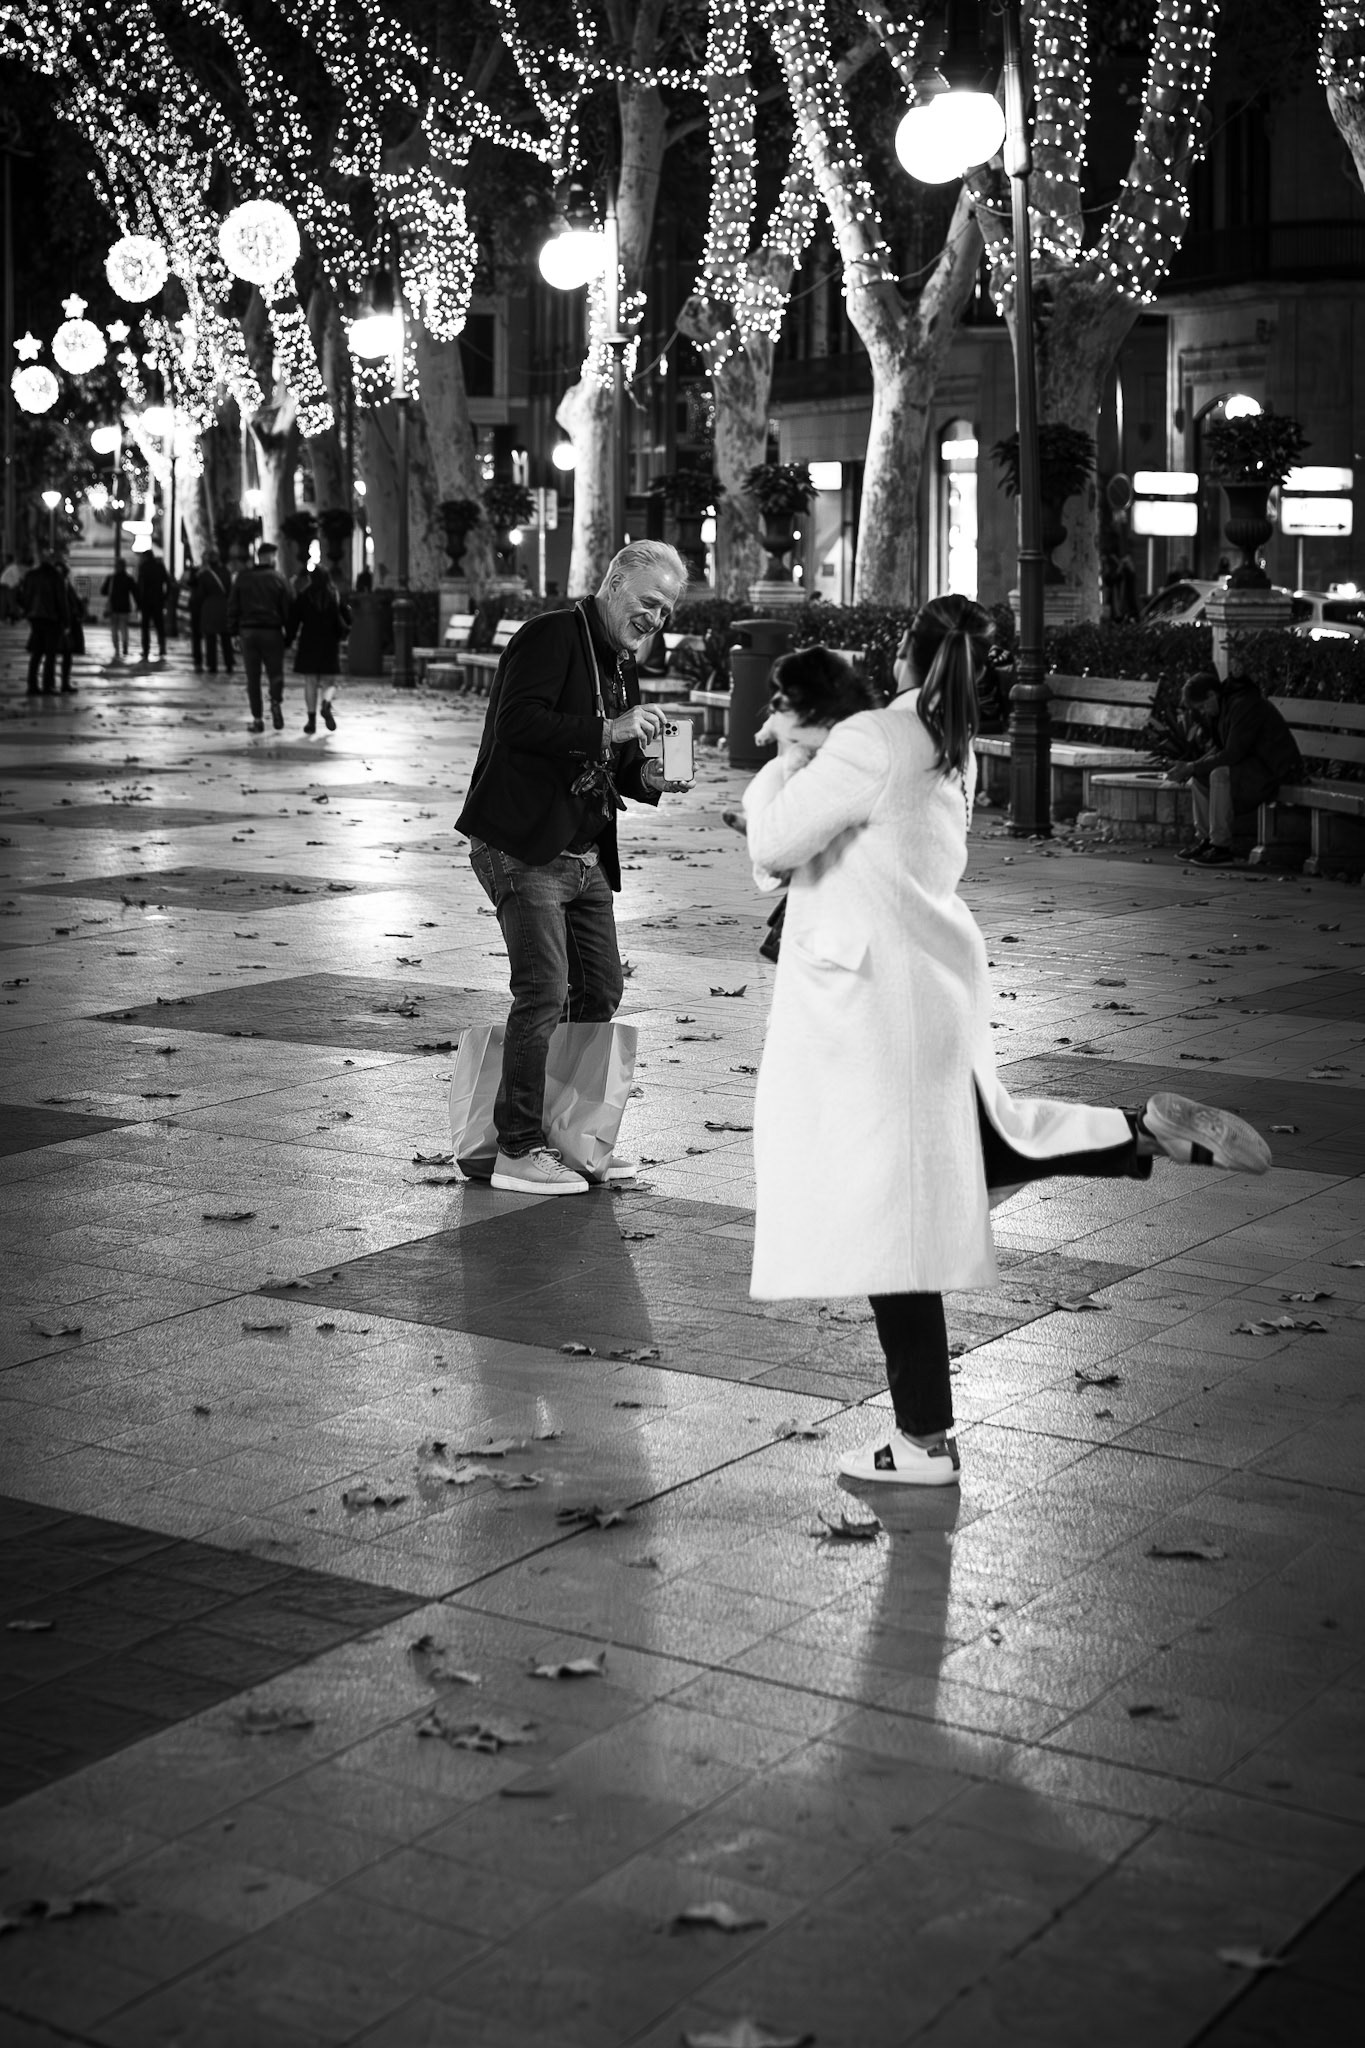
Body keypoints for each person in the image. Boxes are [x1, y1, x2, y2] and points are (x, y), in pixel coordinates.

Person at [743, 598, 1274, 1491]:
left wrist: (783, 756)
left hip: (872, 1012)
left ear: (906, 655)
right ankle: (1139, 1130)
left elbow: (772, 842)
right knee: (981, 1151)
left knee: (894, 1223)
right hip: (928, 995)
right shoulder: (950, 748)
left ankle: (923, 1444)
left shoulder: (873, 737)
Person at [456, 540, 689, 1195]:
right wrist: (610, 729)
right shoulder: (550, 634)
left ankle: (569, 1134)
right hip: (522, 845)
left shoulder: (617, 660)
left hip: (582, 853)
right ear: (612, 584)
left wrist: (652, 777)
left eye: (666, 611)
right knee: (544, 994)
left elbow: (607, 760)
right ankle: (516, 1147)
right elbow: (517, 722)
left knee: (599, 992)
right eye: (648, 602)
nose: (655, 619)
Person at [1165, 669, 1305, 867]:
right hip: (1252, 766)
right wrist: (1192, 768)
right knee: (1200, 777)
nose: (1203, 712)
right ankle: (1206, 841)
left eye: (1203, 706)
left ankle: (1221, 846)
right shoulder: (1223, 707)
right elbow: (1220, 746)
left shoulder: (1244, 705)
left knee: (1219, 775)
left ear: (1212, 695)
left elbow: (1232, 753)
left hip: (1275, 769)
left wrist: (1192, 766)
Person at [227, 539, 293, 732]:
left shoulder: (243, 578)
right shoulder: (279, 579)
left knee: (252, 678)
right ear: (270, 558)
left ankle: (257, 719)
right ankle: (275, 702)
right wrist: (289, 635)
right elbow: (288, 609)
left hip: (248, 633)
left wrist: (233, 632)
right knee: (275, 673)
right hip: (272, 632)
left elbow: (233, 606)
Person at [291, 564, 351, 733]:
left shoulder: (304, 596)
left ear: (311, 578)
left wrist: (288, 639)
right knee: (329, 681)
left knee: (310, 682)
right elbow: (347, 618)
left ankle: (311, 721)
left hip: (308, 643)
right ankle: (326, 703)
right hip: (329, 644)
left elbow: (294, 619)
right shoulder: (334, 596)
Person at [20, 546, 67, 695]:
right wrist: (65, 620)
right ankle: (48, 685)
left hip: (35, 617)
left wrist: (28, 611)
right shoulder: (55, 576)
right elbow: (61, 600)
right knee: (50, 654)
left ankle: (32, 684)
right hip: (51, 618)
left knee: (37, 652)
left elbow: (24, 597)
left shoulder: (31, 575)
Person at [196, 552, 233, 674]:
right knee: (225, 636)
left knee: (210, 638)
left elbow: (200, 593)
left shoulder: (205, 575)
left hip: (209, 606)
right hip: (223, 606)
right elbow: (230, 590)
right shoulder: (226, 573)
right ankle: (229, 663)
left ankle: (212, 665)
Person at [134, 545, 170, 661]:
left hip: (146, 601)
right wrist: (165, 597)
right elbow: (168, 583)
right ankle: (162, 647)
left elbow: (140, 586)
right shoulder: (159, 567)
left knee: (145, 627)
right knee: (159, 625)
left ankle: (146, 649)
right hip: (158, 600)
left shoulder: (143, 567)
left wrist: (139, 601)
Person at [101, 556, 139, 664]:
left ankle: (117, 649)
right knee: (124, 628)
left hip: (113, 608)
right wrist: (138, 605)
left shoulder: (111, 578)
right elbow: (135, 592)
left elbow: (103, 591)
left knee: (114, 629)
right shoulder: (128, 579)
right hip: (124, 608)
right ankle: (125, 647)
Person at [55, 557, 84, 693]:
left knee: (62, 654)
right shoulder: (62, 584)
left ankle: (60, 683)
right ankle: (61, 683)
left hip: (61, 622)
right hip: (62, 623)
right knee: (63, 654)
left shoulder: (61, 583)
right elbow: (68, 604)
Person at [0, 553, 23, 623]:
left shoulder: (13, 567)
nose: (5, 560)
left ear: (10, 560)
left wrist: (14, 586)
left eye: (6, 559)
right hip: (5, 586)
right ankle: (3, 617)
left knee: (11, 602)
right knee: (4, 602)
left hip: (10, 587)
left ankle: (16, 616)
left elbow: (17, 578)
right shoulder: (8, 567)